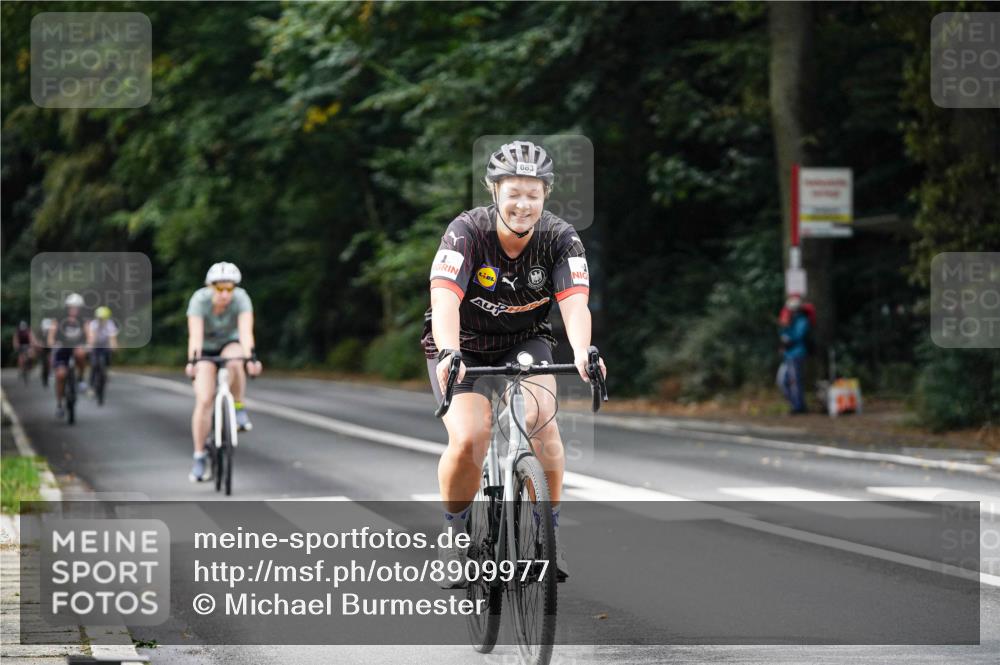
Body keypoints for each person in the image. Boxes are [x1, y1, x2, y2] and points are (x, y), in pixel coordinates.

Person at [422, 140, 606, 587]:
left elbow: (574, 305)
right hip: (461, 344)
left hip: (525, 341)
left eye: (533, 194)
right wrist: (450, 353)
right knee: (469, 437)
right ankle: (457, 537)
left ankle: (549, 535)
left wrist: (583, 351)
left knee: (542, 421)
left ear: (546, 195)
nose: (523, 204)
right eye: (513, 193)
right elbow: (444, 298)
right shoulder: (466, 232)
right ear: (494, 191)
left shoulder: (561, 238)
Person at [184, 262, 262, 482]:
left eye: (230, 288)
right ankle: (199, 456)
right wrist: (193, 361)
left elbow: (246, 333)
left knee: (236, 360)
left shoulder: (241, 298)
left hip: (230, 344)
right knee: (205, 399)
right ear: (211, 287)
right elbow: (195, 336)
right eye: (220, 288)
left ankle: (238, 407)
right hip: (205, 350)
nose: (226, 294)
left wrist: (252, 359)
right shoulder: (199, 300)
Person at [48, 294, 89, 419]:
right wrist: (52, 344)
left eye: (77, 307)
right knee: (60, 375)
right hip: (61, 349)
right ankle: (60, 404)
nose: (74, 309)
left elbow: (90, 334)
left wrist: (89, 344)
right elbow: (51, 335)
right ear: (67, 307)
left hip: (76, 348)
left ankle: (81, 379)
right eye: (72, 307)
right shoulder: (59, 319)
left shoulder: (83, 320)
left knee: (80, 353)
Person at [777, 294, 810, 415]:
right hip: (788, 355)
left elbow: (798, 336)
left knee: (794, 381)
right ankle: (795, 403)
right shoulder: (788, 321)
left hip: (797, 354)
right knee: (782, 380)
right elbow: (783, 334)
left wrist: (788, 339)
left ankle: (798, 406)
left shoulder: (802, 320)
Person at [87, 306, 119, 394]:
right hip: (96, 346)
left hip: (105, 346)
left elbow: (113, 338)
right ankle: (91, 387)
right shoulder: (93, 324)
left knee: (108, 357)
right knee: (94, 365)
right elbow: (91, 338)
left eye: (103, 318)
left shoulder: (110, 324)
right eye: (100, 318)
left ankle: (107, 369)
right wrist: (90, 346)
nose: (101, 320)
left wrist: (114, 346)